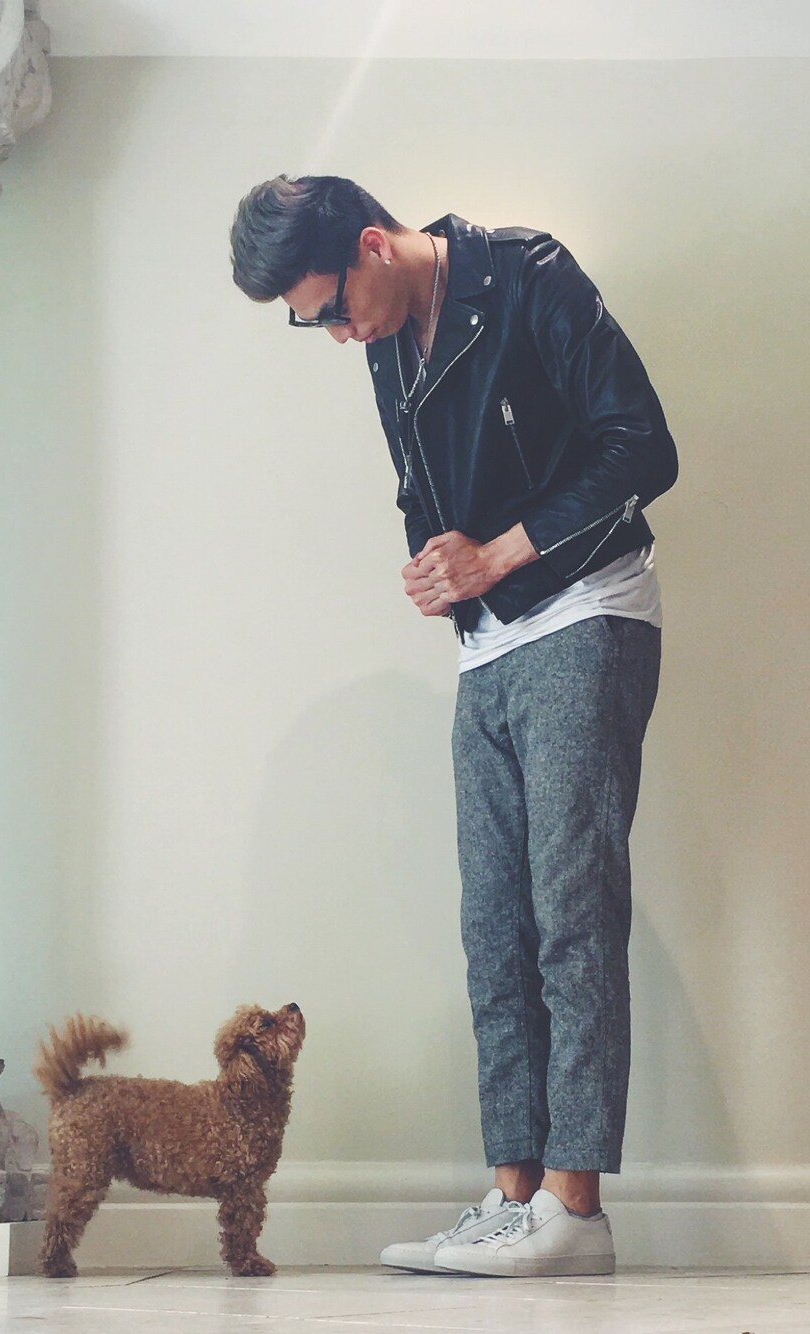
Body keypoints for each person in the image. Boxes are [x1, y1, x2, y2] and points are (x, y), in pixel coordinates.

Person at [229, 175, 677, 1278]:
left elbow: (643, 446)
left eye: (333, 309)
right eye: (314, 326)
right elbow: (420, 486)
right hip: (488, 646)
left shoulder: (527, 275)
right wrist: (436, 567)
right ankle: (512, 1196)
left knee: (570, 911)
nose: (339, 336)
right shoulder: (387, 345)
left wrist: (498, 554)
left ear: (372, 246)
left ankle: (575, 1209)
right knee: (494, 928)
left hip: (587, 611)